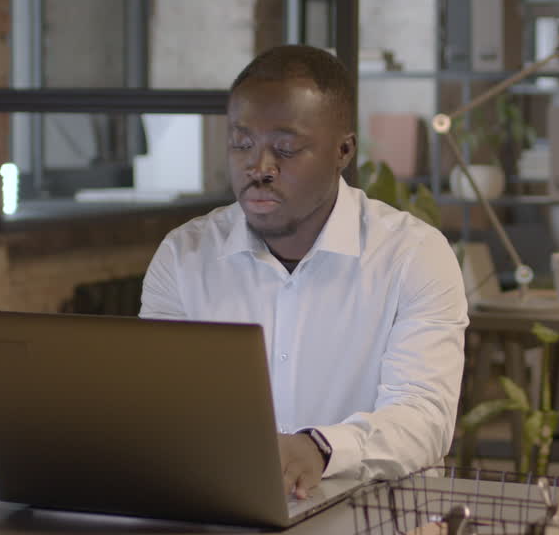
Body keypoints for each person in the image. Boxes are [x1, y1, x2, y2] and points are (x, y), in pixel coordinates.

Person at [139, 44, 468, 500]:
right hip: (221, 513)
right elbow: (157, 406)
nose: (259, 168)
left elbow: (423, 417)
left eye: (286, 149)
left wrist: (322, 448)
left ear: (343, 150)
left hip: (367, 522)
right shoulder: (185, 256)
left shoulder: (413, 255)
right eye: (242, 144)